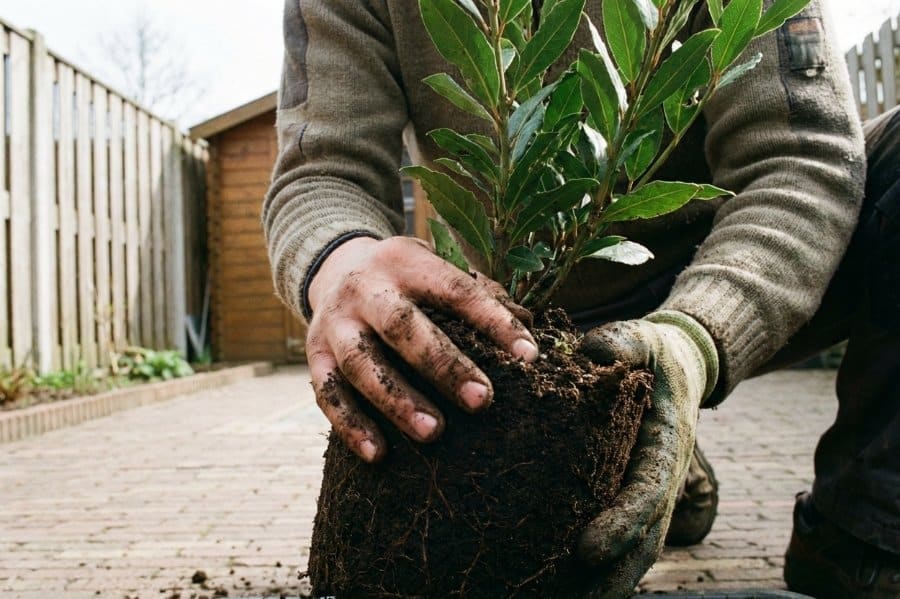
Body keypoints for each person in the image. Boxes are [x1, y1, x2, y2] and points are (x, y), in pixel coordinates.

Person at [263, 0, 900, 596]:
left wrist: (693, 337)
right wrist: (340, 258)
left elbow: (798, 158)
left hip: (728, 254)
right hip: (535, 317)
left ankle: (867, 524)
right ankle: (631, 430)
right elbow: (323, 169)